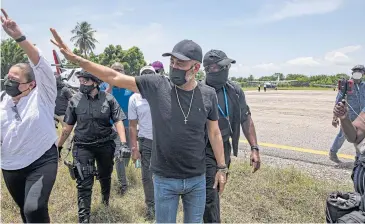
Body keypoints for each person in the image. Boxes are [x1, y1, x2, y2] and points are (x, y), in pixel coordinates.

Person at [50, 30, 227, 223]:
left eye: (180, 63)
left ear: (196, 67)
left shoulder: (207, 95)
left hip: (196, 179)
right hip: (165, 179)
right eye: (172, 62)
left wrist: (221, 167)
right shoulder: (158, 86)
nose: (174, 67)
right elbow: (114, 77)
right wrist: (78, 60)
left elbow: (214, 132)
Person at [0, 9, 58, 223]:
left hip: (41, 159)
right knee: (26, 213)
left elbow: (40, 64)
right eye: (8, 78)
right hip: (11, 165)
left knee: (34, 209)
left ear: (30, 84)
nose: (9, 83)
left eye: (15, 80)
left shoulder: (43, 95)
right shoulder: (1, 100)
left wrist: (18, 37)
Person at [56, 70, 130, 223]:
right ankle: (84, 219)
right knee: (84, 182)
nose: (82, 84)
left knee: (105, 176)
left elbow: (118, 121)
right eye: (81, 81)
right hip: (83, 146)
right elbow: (67, 127)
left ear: (95, 82)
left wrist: (123, 143)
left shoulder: (109, 99)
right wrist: (58, 147)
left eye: (85, 81)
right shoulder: (74, 100)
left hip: (105, 145)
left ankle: (105, 201)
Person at [202, 49, 261, 223]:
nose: (226, 69)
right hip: (204, 148)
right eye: (222, 66)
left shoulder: (234, 91)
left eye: (227, 66)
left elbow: (245, 119)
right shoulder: (199, 91)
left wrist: (254, 148)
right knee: (210, 194)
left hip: (225, 148)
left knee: (216, 190)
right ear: (209, 69)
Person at [100, 62, 133, 195]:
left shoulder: (129, 87)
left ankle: (123, 172)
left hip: (129, 125)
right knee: (120, 154)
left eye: (120, 70)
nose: (117, 72)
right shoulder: (104, 86)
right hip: (113, 127)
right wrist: (110, 85)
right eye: (114, 70)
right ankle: (123, 185)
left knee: (127, 154)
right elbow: (101, 101)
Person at [129, 65, 156, 220]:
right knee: (147, 176)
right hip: (145, 141)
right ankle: (151, 207)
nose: (147, 77)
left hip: (163, 141)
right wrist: (134, 149)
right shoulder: (134, 98)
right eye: (144, 75)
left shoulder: (162, 94)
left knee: (164, 175)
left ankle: (163, 203)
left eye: (150, 74)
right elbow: (132, 126)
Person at [329, 65, 365, 163]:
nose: (357, 72)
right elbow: (338, 101)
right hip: (348, 117)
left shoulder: (364, 85)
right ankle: (333, 152)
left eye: (360, 71)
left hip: (361, 118)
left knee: (360, 138)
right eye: (355, 70)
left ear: (363, 73)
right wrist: (335, 117)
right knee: (342, 135)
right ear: (352, 73)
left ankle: (359, 159)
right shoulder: (347, 85)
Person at [54, 74, 74, 157]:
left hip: (64, 114)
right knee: (50, 131)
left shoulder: (65, 89)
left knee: (66, 132)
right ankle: (54, 149)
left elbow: (72, 99)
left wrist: (70, 111)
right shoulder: (52, 89)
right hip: (54, 114)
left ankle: (67, 150)